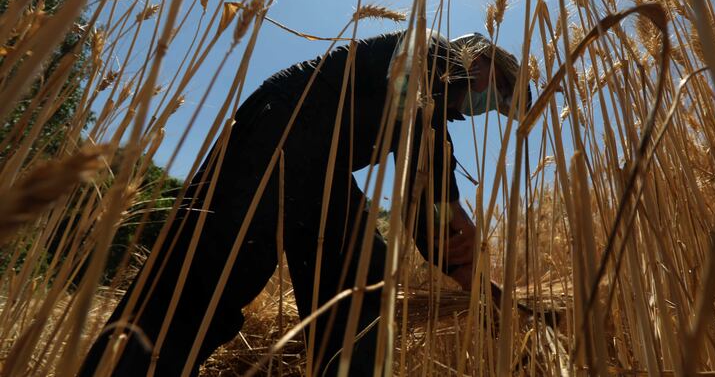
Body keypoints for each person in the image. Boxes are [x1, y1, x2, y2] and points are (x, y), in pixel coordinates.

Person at [80, 30, 527, 376]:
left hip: (320, 167)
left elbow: (424, 199)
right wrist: (451, 212)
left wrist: (479, 287)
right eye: (500, 88)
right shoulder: (433, 50)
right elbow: (426, 142)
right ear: (477, 53)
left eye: (501, 106)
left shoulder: (430, 112)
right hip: (279, 130)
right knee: (207, 277)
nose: (490, 105)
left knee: (362, 280)